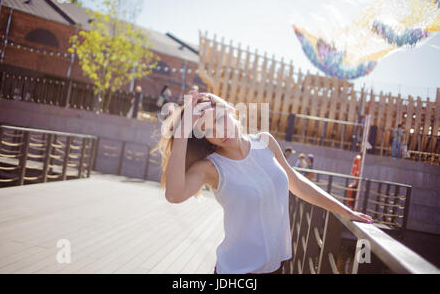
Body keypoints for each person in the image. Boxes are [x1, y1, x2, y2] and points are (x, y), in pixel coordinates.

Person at [154, 92, 373, 275]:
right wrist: (183, 130)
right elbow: (173, 195)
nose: (220, 132)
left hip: (277, 267)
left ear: (231, 112)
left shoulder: (265, 142)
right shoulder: (210, 167)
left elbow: (297, 183)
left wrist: (345, 211)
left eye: (220, 120)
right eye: (209, 130)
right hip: (236, 271)